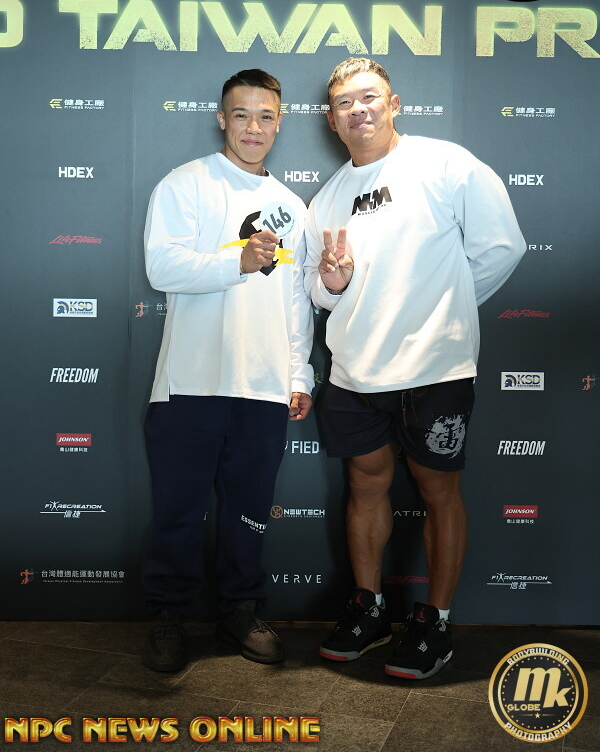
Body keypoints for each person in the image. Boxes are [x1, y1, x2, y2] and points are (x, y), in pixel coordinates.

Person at [304, 58, 525, 680]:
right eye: (344, 103)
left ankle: (436, 620)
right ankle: (369, 607)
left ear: (394, 103)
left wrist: (443, 310)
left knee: (438, 492)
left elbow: (502, 245)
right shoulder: (326, 198)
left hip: (435, 370)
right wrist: (334, 282)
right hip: (354, 373)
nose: (358, 109)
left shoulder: (445, 164)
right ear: (331, 120)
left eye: (369, 96)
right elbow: (319, 294)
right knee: (365, 488)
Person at [142, 69, 314, 672]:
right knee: (179, 510)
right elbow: (161, 267)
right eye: (241, 115)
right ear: (222, 119)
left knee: (249, 511)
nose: (253, 128)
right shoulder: (185, 183)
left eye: (265, 116)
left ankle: (240, 609)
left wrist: (299, 375)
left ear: (279, 122)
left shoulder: (292, 206)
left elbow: (295, 301)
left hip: (263, 387)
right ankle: (167, 614)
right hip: (189, 383)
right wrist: (235, 262)